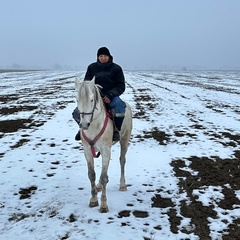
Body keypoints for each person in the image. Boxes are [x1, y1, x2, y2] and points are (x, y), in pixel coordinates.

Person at [72, 47, 126, 142]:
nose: (103, 58)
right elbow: (87, 83)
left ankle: (116, 130)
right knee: (76, 112)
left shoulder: (116, 68)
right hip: (94, 96)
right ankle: (82, 129)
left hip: (110, 96)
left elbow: (120, 86)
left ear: (109, 56)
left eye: (105, 56)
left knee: (119, 105)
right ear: (98, 57)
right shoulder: (92, 67)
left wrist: (110, 95)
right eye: (100, 56)